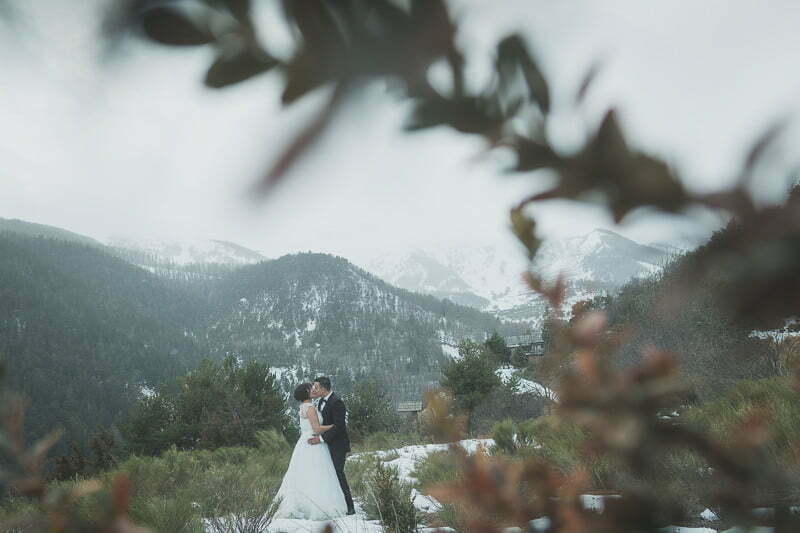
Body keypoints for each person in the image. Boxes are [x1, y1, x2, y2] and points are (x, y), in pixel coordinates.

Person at [273, 383, 348, 520]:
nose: (313, 390)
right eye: (311, 388)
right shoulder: (311, 408)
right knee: (318, 474)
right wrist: (334, 426)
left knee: (303, 474)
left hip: (303, 442)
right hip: (314, 442)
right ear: (307, 392)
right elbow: (317, 429)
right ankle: (317, 506)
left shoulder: (302, 407)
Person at [308, 376, 355, 515]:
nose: (314, 389)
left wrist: (321, 438)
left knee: (338, 473)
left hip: (338, 445)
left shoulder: (337, 402)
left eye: (316, 387)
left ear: (323, 388)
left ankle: (349, 506)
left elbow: (339, 427)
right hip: (325, 445)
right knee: (328, 474)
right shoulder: (320, 402)